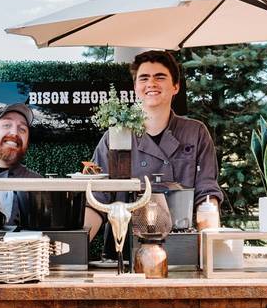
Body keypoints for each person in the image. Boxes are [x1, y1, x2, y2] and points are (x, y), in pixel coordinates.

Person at [85, 50, 223, 239]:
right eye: (144, 78)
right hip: (125, 246)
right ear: (135, 87)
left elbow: (207, 195)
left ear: (176, 86)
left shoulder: (195, 132)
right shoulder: (115, 137)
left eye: (160, 77)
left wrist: (210, 244)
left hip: (180, 243)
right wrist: (75, 250)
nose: (151, 83)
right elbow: (97, 198)